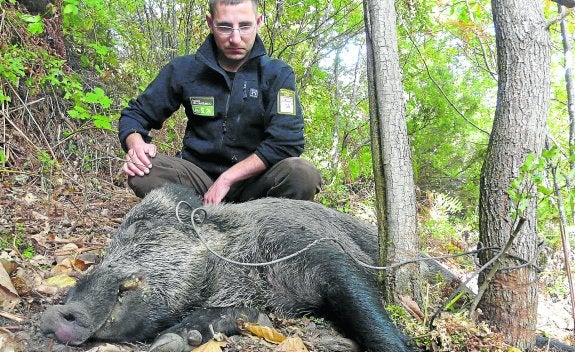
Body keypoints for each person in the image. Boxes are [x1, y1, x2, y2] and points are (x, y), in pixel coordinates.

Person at [118, 0, 321, 205]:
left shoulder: (277, 74)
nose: (235, 38)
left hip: (255, 186)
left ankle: (263, 229)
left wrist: (228, 178)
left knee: (302, 174)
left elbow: (287, 142)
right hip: (197, 180)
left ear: (258, 22)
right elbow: (136, 115)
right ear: (210, 23)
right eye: (224, 27)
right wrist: (136, 146)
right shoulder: (184, 69)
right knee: (143, 171)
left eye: (245, 26)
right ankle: (195, 220)